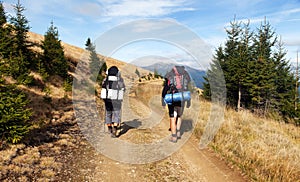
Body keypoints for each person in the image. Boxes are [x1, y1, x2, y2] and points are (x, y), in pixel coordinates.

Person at [161, 65, 191, 143]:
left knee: (172, 116)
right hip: (182, 98)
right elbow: (187, 88)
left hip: (172, 98)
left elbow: (165, 89)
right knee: (179, 115)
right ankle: (178, 133)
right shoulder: (185, 74)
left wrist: (163, 101)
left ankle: (174, 137)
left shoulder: (170, 74)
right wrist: (188, 102)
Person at [101, 66, 125, 138]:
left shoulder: (106, 79)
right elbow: (123, 89)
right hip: (117, 100)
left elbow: (103, 86)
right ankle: (115, 128)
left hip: (107, 99)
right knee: (116, 114)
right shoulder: (120, 80)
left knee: (108, 114)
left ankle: (109, 128)